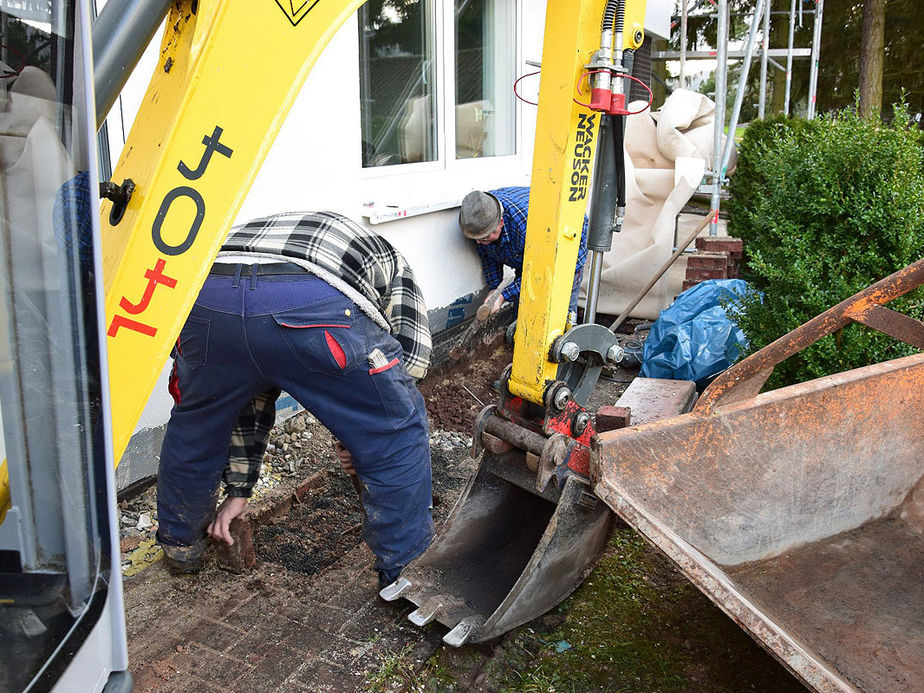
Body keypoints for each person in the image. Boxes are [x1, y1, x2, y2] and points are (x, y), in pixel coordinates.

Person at [156, 211, 434, 588]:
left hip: (206, 297)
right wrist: (361, 436)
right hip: (311, 302)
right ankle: (404, 574)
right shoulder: (389, 261)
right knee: (396, 432)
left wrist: (240, 491)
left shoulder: (250, 231)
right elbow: (408, 367)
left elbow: (249, 396)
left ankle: (180, 544)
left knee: (198, 423)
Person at [459, 186, 588, 316]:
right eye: (476, 239)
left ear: (501, 223)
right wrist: (494, 289)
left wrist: (503, 296)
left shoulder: (526, 226)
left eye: (484, 238)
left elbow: (540, 272)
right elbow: (488, 255)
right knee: (523, 311)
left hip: (564, 247)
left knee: (560, 312)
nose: (479, 243)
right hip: (530, 251)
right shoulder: (481, 216)